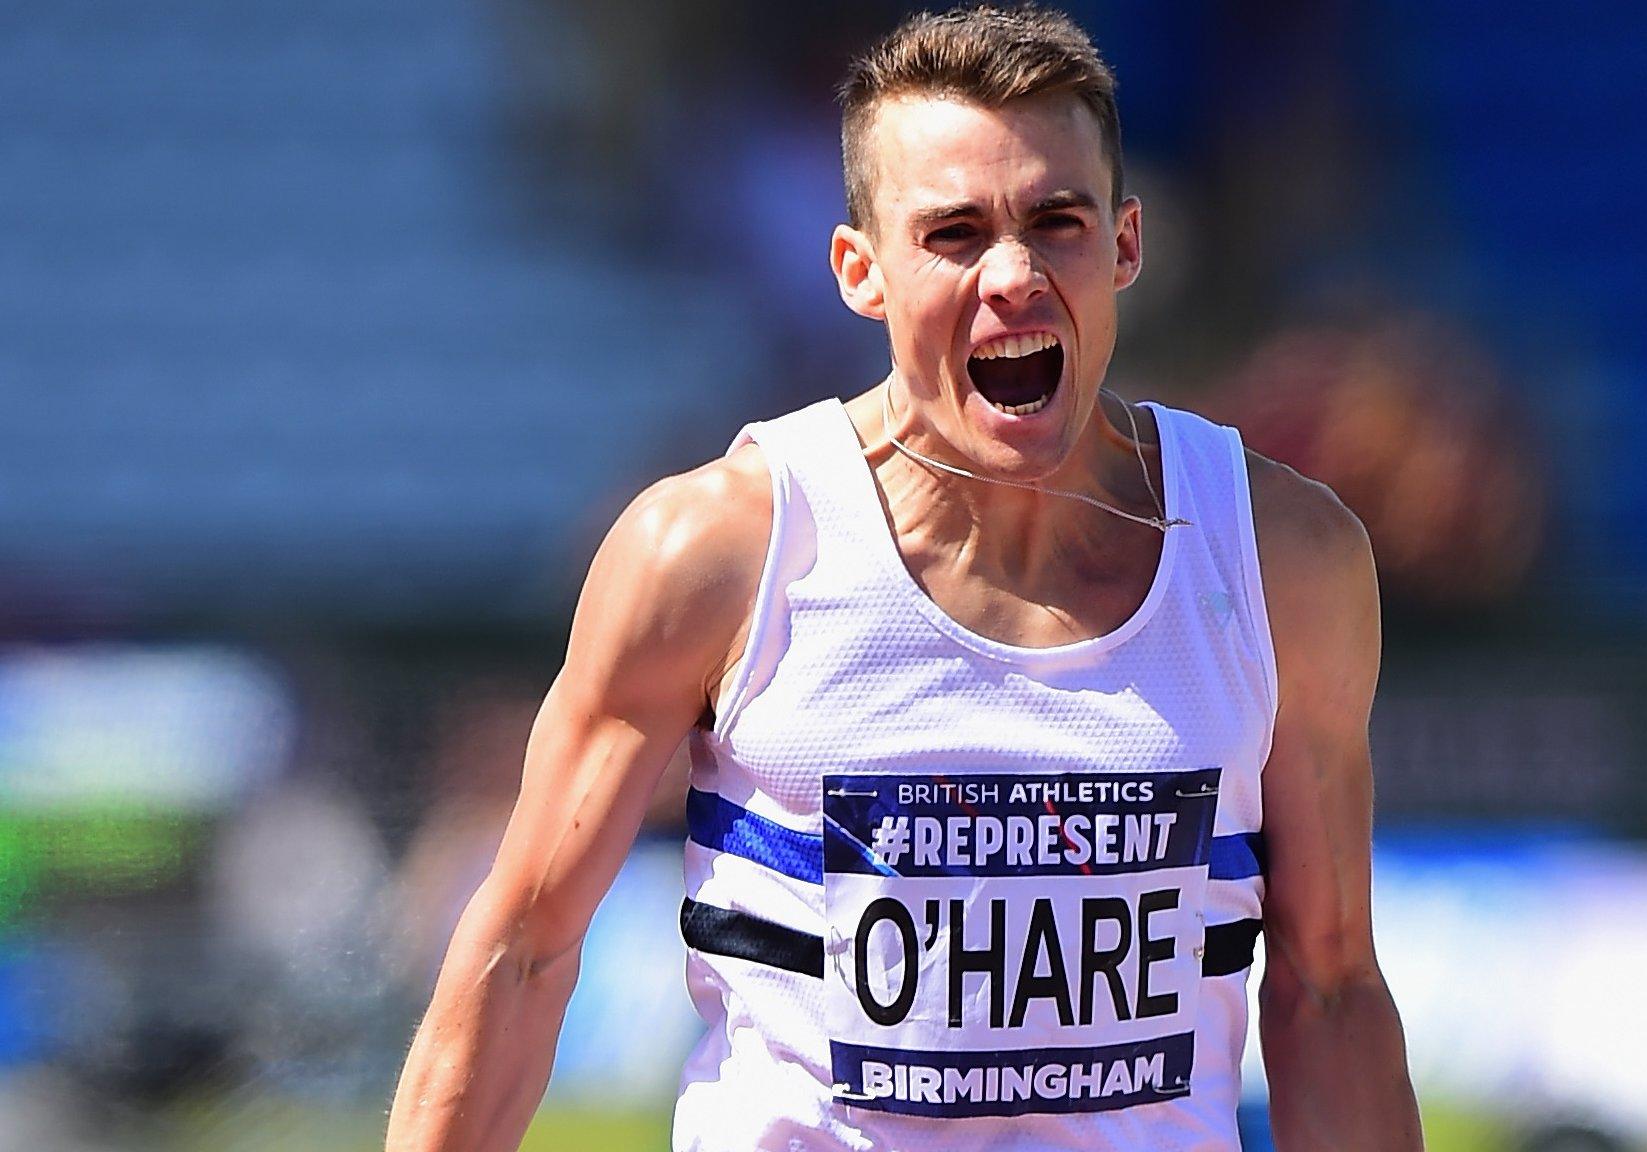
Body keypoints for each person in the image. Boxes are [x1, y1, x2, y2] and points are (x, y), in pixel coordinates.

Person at [384, 7, 1422, 1151]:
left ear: (1124, 246)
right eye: (955, 234)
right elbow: (523, 947)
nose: (1014, 275)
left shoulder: (1280, 558)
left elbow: (1327, 987)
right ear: (858, 271)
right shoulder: (720, 550)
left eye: (1056, 222)